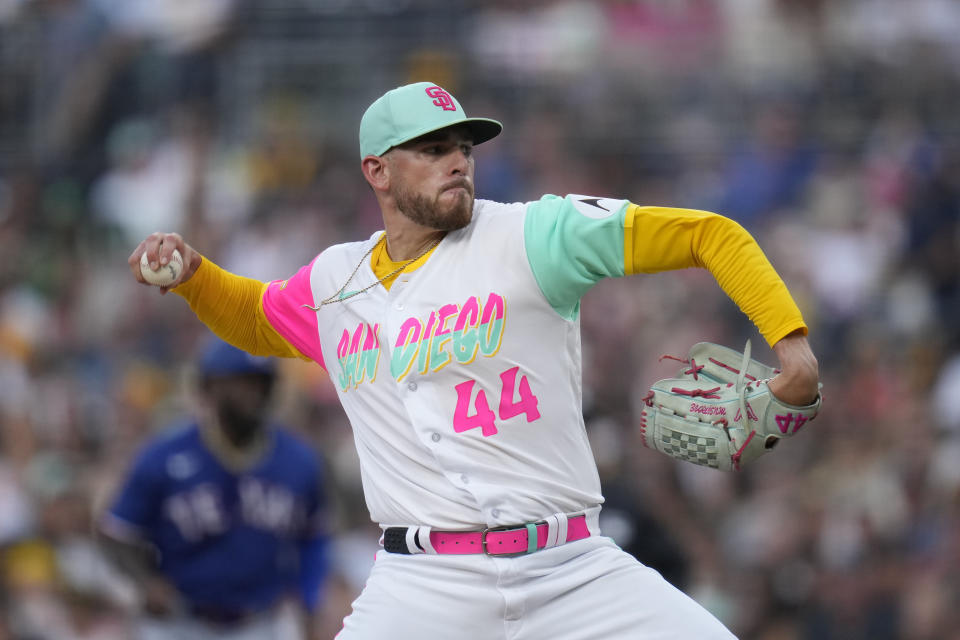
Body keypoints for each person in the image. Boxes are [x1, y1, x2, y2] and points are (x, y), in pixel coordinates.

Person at [128, 82, 820, 639]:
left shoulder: (533, 235)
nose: (457, 160)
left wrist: (792, 351)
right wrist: (193, 275)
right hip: (422, 587)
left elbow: (710, 235)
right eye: (430, 149)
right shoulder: (336, 281)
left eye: (463, 146)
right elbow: (252, 314)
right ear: (377, 170)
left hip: (572, 570)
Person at [98, 337, 330, 640]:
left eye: (259, 384)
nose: (251, 395)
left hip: (262, 621)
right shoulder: (165, 455)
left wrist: (308, 601)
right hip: (182, 620)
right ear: (209, 388)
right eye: (239, 384)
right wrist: (146, 582)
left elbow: (314, 538)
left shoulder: (299, 461)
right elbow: (116, 532)